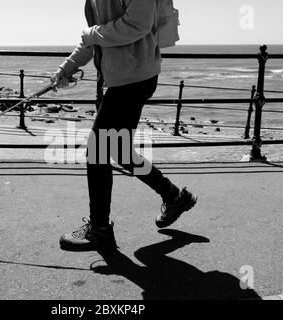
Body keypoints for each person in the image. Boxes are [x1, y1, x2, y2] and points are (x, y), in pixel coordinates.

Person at [52, 0, 197, 251]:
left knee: (97, 150)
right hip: (122, 78)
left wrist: (91, 33)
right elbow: (94, 39)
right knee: (119, 151)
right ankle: (175, 196)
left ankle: (100, 229)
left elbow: (137, 25)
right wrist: (66, 68)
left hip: (134, 78)